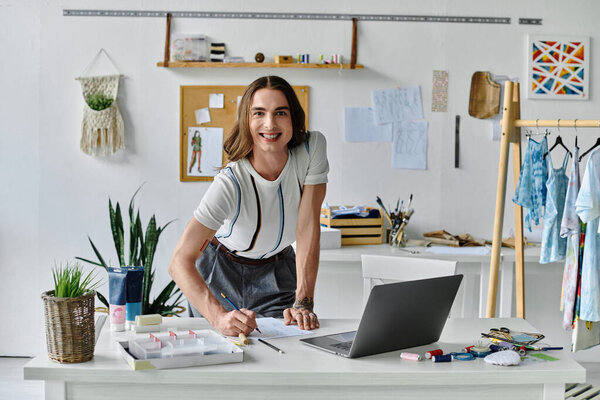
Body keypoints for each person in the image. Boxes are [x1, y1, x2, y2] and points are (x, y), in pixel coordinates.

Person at [169, 76, 328, 337]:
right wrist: (218, 318)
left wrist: (303, 301)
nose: (270, 124)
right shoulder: (230, 182)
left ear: (293, 118)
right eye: (259, 113)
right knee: (220, 359)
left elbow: (308, 225)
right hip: (220, 272)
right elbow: (179, 262)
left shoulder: (312, 150)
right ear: (246, 120)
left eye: (280, 113)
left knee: (284, 352)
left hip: (277, 270)